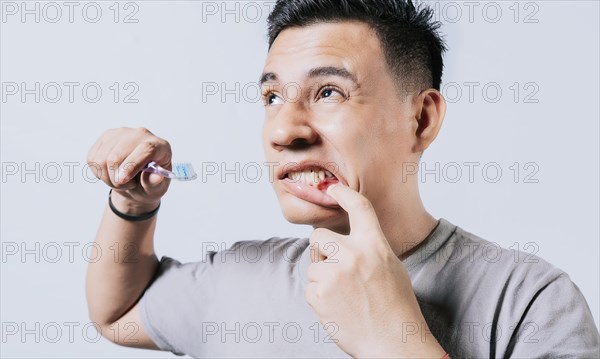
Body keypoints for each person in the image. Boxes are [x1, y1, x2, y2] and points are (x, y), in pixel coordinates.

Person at [85, 0, 600, 357]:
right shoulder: (238, 280)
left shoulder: (530, 301)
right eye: (271, 98)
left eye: (328, 92)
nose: (283, 131)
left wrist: (394, 345)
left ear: (420, 120)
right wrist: (133, 202)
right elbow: (118, 314)